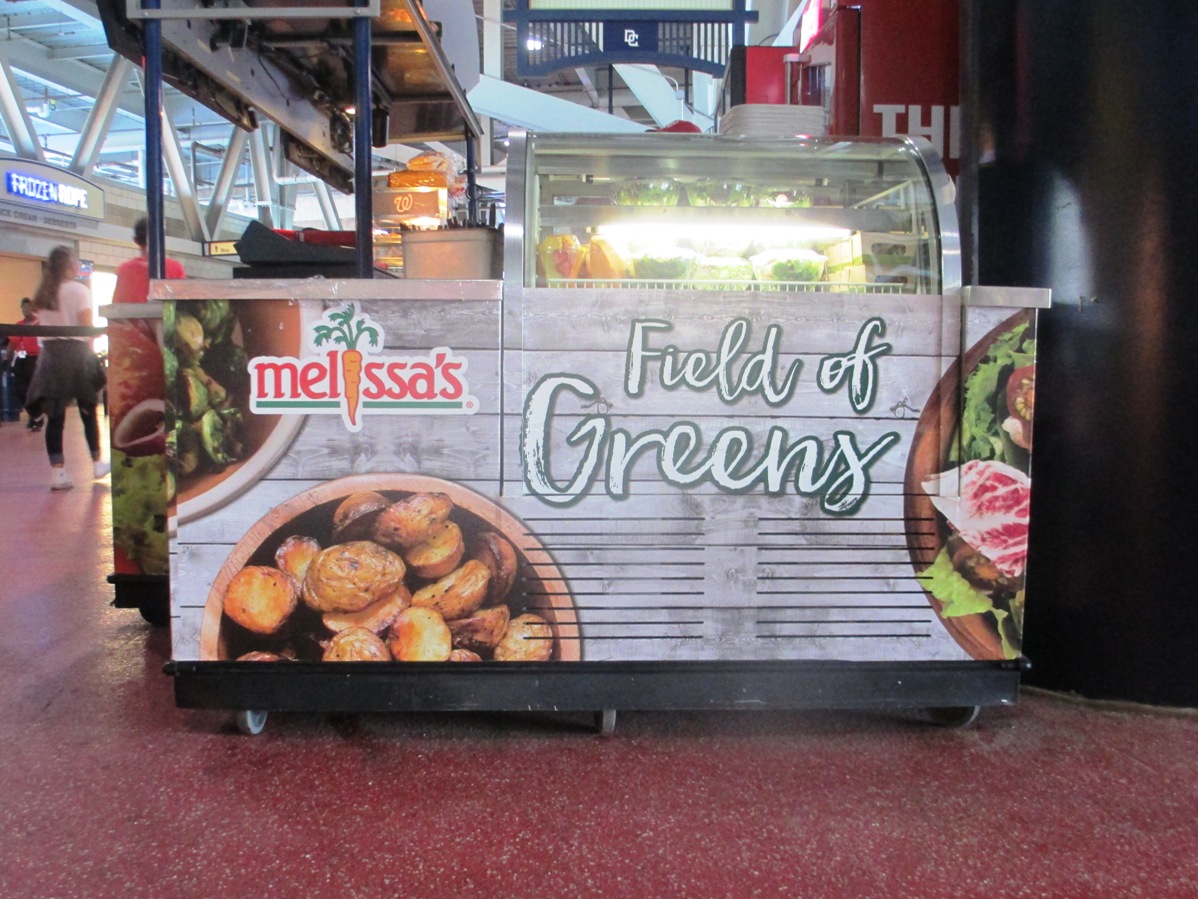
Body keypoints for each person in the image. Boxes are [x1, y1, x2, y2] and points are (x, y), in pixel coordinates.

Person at [25, 246, 109, 490]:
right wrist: (90, 353)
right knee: (88, 411)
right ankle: (96, 462)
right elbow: (86, 327)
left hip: (51, 356)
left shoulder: (43, 294)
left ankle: (57, 472)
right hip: (76, 353)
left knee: (55, 415)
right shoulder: (78, 290)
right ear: (69, 265)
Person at [112, 216, 186, 303]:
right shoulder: (175, 268)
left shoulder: (124, 269)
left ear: (135, 240)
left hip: (133, 316)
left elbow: (117, 306)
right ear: (161, 237)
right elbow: (183, 306)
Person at [6, 298, 44, 431]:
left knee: (33, 392)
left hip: (35, 360)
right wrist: (7, 361)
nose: (25, 310)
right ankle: (35, 415)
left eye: (28, 307)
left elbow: (45, 345)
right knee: (20, 391)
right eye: (23, 307)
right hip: (21, 361)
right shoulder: (19, 325)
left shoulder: (40, 325)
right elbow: (12, 344)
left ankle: (36, 417)